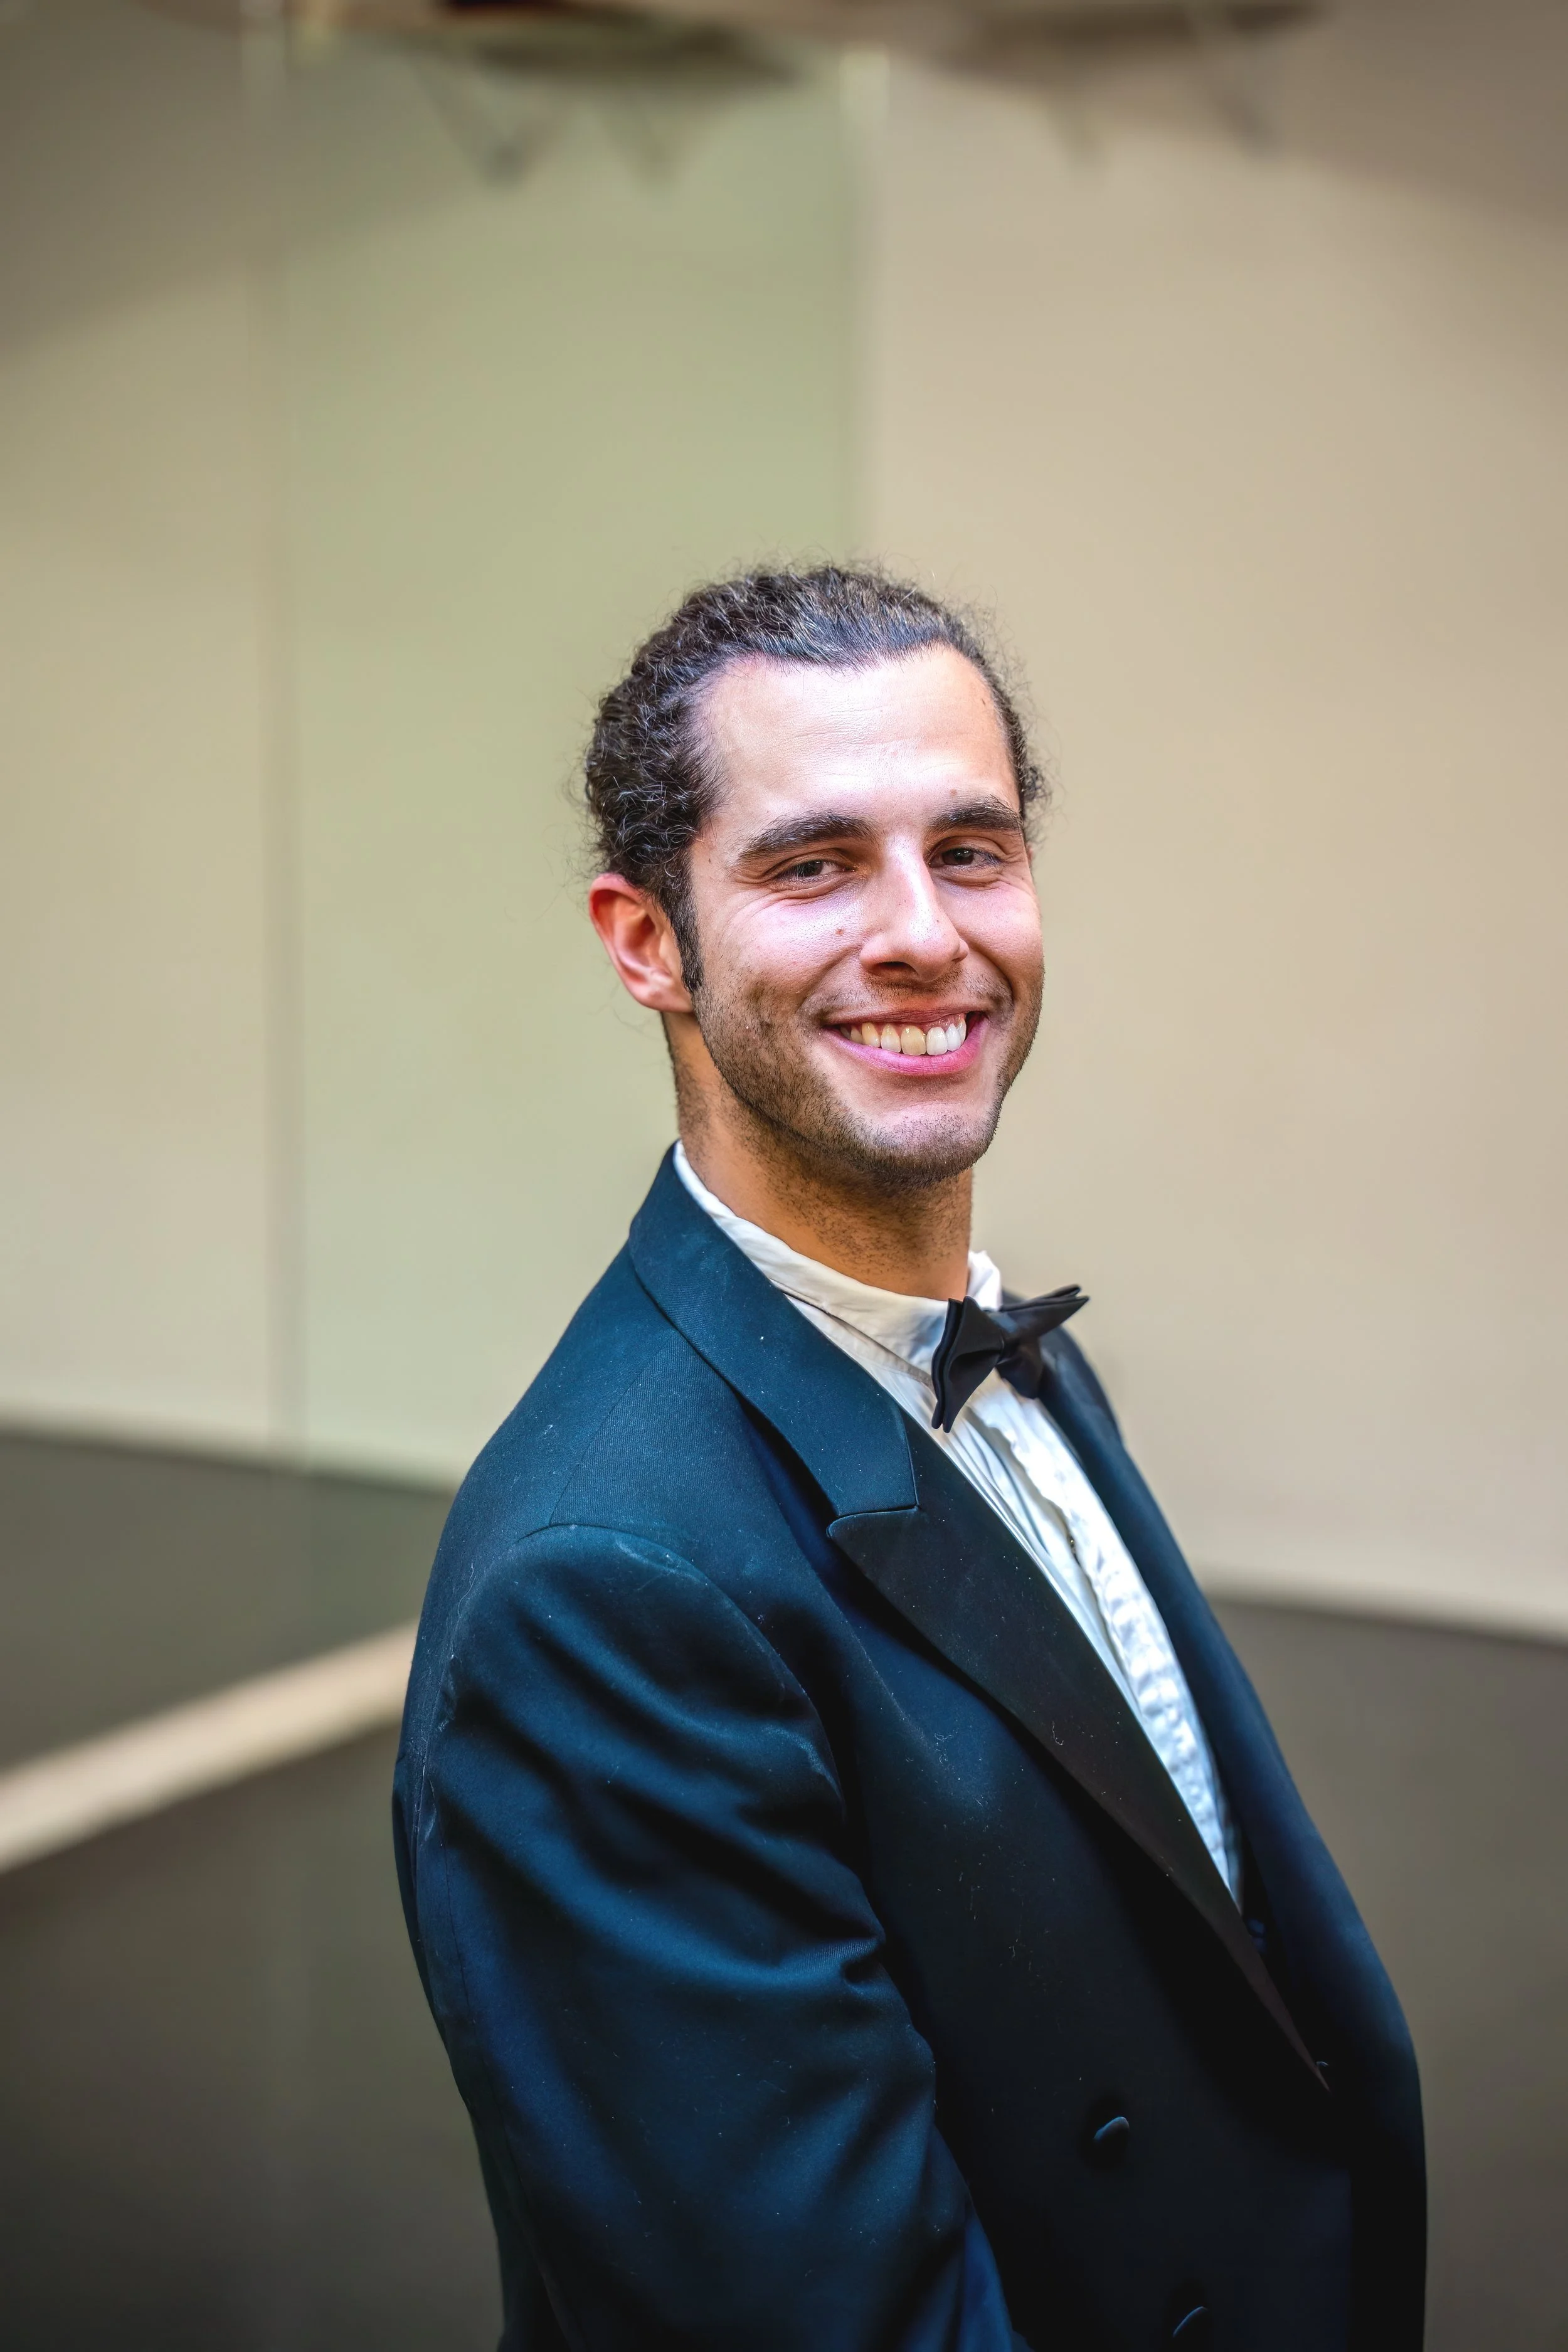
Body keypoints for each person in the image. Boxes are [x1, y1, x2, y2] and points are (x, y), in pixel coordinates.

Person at [393, 568, 1424, 2352]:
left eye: (971, 848)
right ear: (647, 939)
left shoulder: (1013, 1337)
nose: (924, 933)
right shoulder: (599, 1584)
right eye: (811, 867)